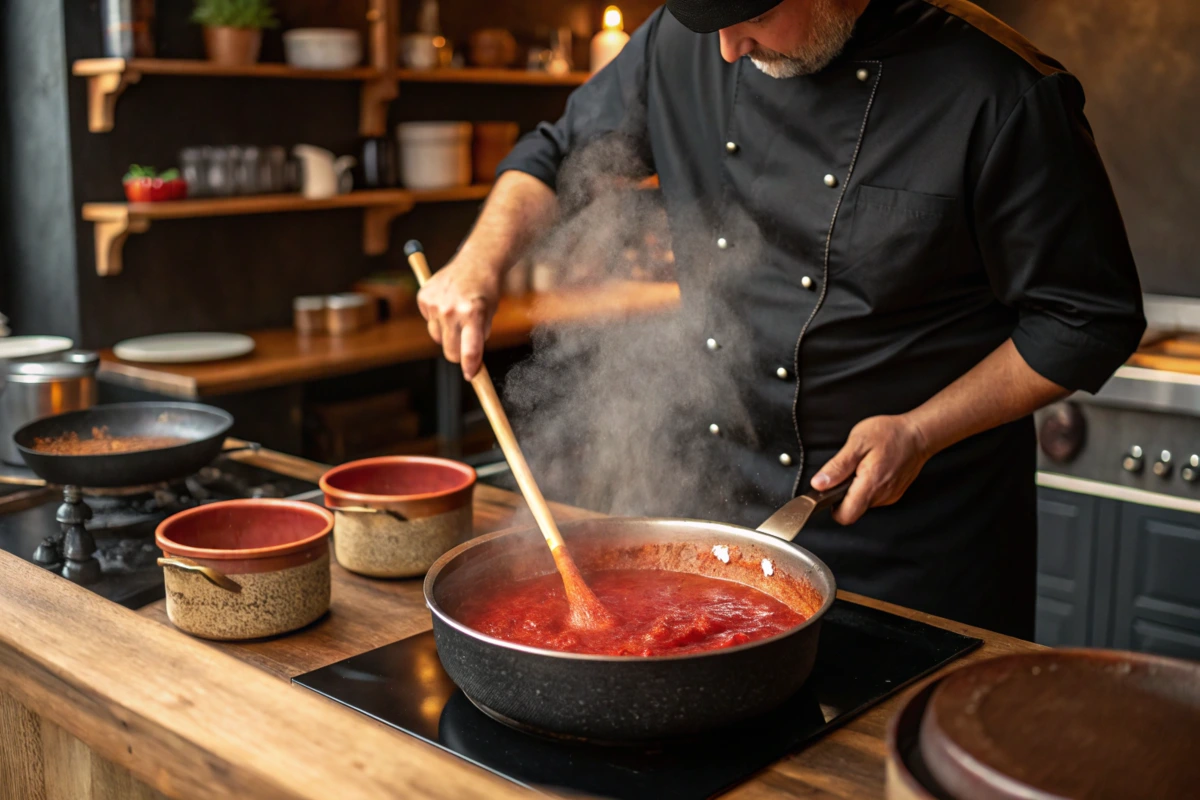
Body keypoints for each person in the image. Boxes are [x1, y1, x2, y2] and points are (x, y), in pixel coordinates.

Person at [415, 0, 1146, 638]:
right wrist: (478, 264)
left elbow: (1087, 319)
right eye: (712, 23)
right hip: (722, 522)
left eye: (756, 16)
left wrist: (921, 431)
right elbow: (557, 152)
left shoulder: (999, 90)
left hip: (915, 554)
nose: (729, 48)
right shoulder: (688, 39)